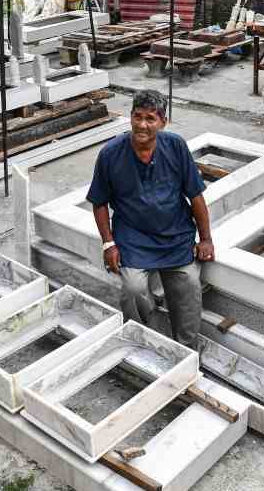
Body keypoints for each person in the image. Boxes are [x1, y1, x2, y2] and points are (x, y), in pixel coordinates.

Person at [86, 89, 213, 349]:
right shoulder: (111, 153)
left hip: (176, 235)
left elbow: (196, 196)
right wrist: (108, 244)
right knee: (133, 289)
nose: (142, 125)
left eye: (150, 119)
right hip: (134, 237)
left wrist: (206, 239)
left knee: (188, 286)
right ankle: (148, 341)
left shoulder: (175, 146)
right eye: (137, 117)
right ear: (130, 117)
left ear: (162, 122)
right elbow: (98, 202)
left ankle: (186, 348)